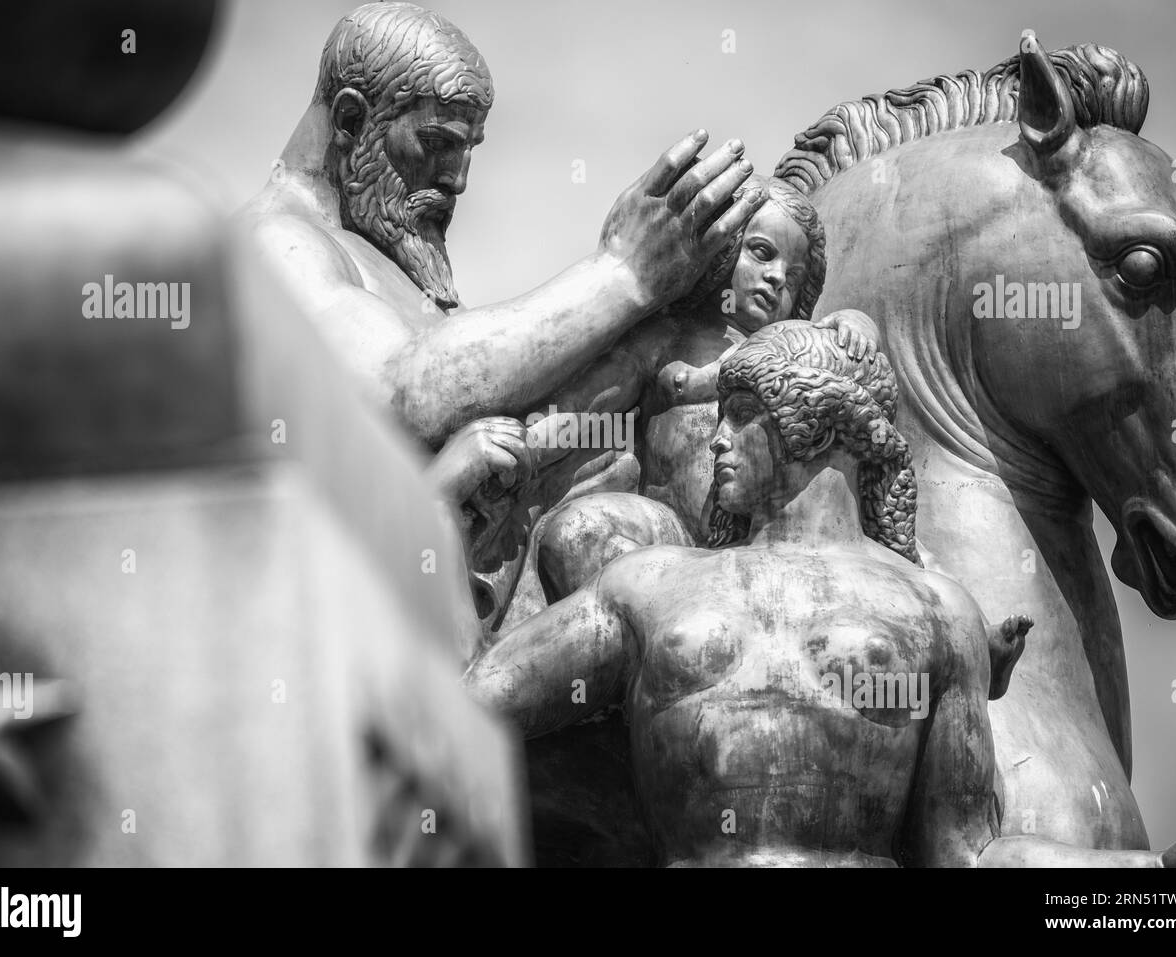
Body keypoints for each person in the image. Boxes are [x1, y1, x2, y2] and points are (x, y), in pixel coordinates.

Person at [465, 321, 1035, 865]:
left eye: (740, 416)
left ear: (823, 419)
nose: (715, 441)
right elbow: (467, 704)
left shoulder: (938, 610)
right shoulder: (648, 584)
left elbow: (961, 855)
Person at [240, 2, 762, 453]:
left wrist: (650, 334)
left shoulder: (381, 255)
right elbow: (402, 394)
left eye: (470, 150)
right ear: (351, 121)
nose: (458, 180)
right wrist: (624, 274)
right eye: (438, 143)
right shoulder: (280, 241)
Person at [534, 176, 879, 600]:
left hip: (766, 533)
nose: (776, 277)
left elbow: (847, 374)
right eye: (762, 253)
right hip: (673, 533)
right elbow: (581, 410)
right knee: (580, 531)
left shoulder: (795, 349)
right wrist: (529, 446)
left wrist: (857, 324)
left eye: (794, 275)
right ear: (723, 245)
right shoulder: (663, 339)